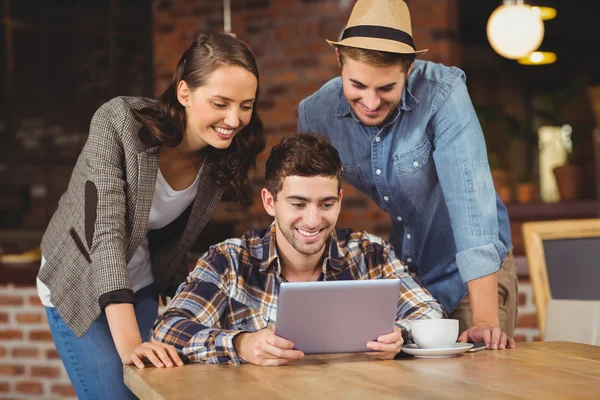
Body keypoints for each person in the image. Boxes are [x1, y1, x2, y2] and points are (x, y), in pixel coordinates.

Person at [37, 33, 265, 398]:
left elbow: (175, 241)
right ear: (185, 92)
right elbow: (106, 233)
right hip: (79, 274)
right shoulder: (120, 123)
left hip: (140, 277)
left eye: (246, 105)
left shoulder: (222, 153)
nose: (234, 119)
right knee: (116, 393)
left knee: (152, 390)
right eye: (221, 103)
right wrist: (129, 344)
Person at [297, 0, 517, 350]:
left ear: (409, 68)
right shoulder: (316, 114)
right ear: (340, 62)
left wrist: (486, 319)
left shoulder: (444, 94)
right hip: (403, 276)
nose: (370, 102)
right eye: (357, 86)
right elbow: (308, 207)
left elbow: (470, 204)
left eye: (386, 88)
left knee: (481, 379)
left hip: (472, 277)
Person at [151, 133, 444, 365]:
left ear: (340, 200)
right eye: (298, 204)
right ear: (269, 202)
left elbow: (430, 313)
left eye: (327, 204)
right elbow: (168, 329)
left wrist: (401, 334)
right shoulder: (228, 261)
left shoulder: (372, 254)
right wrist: (241, 344)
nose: (314, 220)